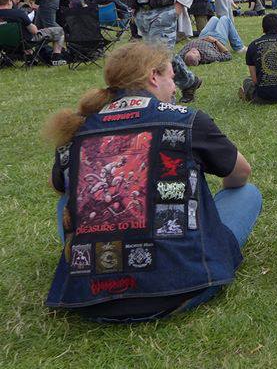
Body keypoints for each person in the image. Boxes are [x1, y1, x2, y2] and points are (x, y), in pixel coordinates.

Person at [42, 42, 261, 322]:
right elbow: (240, 173)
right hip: (182, 287)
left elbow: (60, 187)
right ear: (153, 76)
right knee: (246, 193)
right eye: (172, 77)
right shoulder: (187, 120)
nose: (175, 87)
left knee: (68, 197)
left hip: (89, 297)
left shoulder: (77, 129)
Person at [0, 0, 67, 65]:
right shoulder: (18, 13)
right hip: (23, 42)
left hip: (3, 44)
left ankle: (30, 58)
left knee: (24, 34)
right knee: (59, 31)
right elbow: (34, 31)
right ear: (9, 1)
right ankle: (56, 58)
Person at [180, 15, 245, 67]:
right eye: (194, 53)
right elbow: (228, 56)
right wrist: (215, 41)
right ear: (199, 58)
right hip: (216, 39)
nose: (193, 50)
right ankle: (239, 47)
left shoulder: (183, 55)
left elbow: (176, 58)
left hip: (203, 36)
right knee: (225, 19)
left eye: (190, 52)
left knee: (214, 18)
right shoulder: (209, 56)